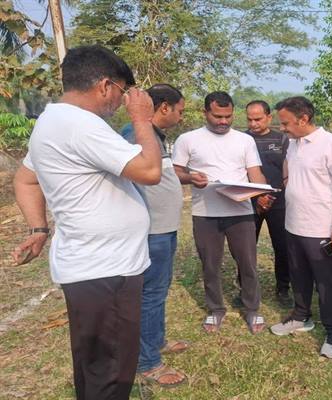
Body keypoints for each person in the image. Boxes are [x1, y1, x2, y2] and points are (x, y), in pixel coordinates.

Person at [12, 45, 161, 399]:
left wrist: (39, 229)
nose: (122, 102)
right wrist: (142, 120)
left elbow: (26, 179)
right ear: (106, 86)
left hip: (94, 269)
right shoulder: (82, 125)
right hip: (106, 271)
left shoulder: (53, 121)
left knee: (97, 369)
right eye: (123, 92)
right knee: (111, 374)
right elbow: (150, 170)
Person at [172, 91, 269, 334]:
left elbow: (255, 173)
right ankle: (215, 309)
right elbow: (175, 172)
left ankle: (252, 308)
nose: (223, 121)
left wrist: (262, 192)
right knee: (210, 265)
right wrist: (191, 178)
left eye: (228, 116)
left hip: (241, 212)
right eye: (217, 116)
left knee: (248, 263)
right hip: (205, 213)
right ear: (205, 113)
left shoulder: (245, 141)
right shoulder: (188, 139)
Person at [269, 96, 332, 359]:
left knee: (327, 283)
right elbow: (291, 167)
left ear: (303, 119)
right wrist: (288, 181)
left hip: (321, 228)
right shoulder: (293, 143)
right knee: (299, 275)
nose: (282, 128)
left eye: (285, 123)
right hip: (294, 223)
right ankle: (301, 316)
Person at [121, 83, 187, 387]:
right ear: (164, 108)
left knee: (159, 291)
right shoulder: (135, 134)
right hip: (151, 232)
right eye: (180, 111)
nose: (181, 117)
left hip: (164, 229)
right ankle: (147, 362)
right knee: (149, 295)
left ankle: (157, 341)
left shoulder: (155, 136)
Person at [245, 100, 291, 307]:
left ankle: (283, 288)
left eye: (258, 119)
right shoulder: (242, 139)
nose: (253, 124)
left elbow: (288, 170)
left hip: (278, 202)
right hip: (249, 202)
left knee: (282, 246)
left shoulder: (282, 139)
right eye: (249, 119)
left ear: (269, 117)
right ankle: (246, 288)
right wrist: (256, 196)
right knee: (246, 248)